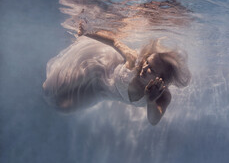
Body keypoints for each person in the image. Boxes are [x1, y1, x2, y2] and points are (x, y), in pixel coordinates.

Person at [43, 22, 191, 125]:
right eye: (147, 62)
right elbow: (114, 41)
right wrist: (87, 33)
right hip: (97, 68)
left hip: (103, 92)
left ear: (162, 79)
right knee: (50, 89)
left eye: (152, 69)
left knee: (63, 107)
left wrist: (151, 101)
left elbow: (153, 120)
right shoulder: (134, 60)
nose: (144, 67)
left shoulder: (163, 96)